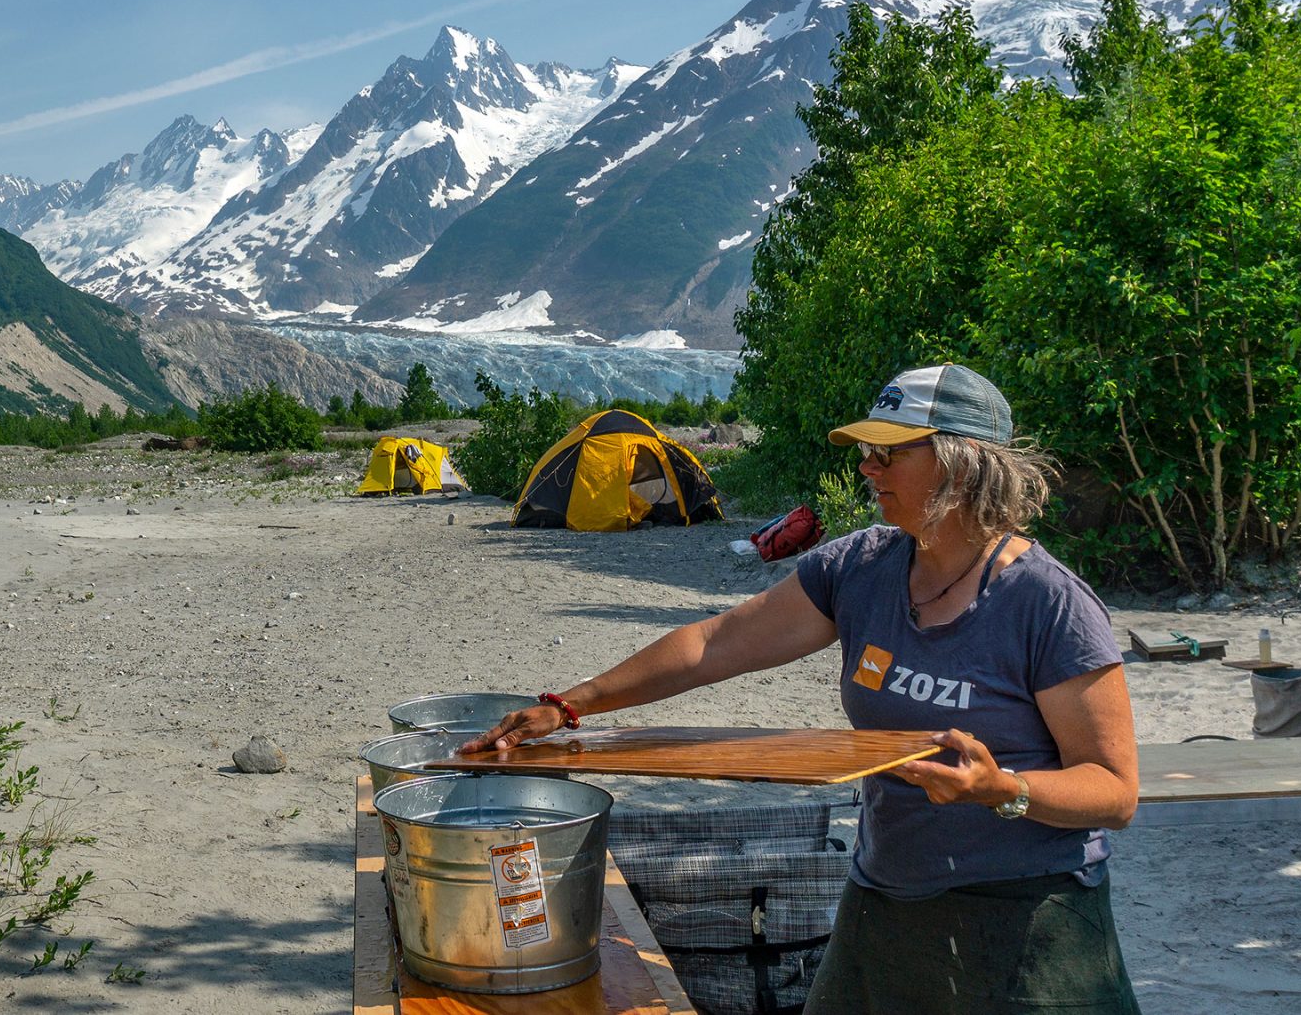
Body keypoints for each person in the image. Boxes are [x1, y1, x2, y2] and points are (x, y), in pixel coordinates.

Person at [462, 363, 1141, 1013]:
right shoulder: (862, 567)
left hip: (1029, 917)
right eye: (866, 450)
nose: (867, 467)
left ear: (963, 462)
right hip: (888, 899)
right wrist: (570, 705)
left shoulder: (1048, 603)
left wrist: (1003, 790)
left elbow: (1114, 791)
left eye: (890, 451)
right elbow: (714, 644)